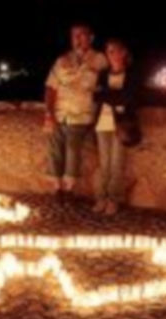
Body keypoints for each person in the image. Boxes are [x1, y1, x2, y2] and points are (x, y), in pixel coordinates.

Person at [44, 22, 108, 194]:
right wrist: (49, 113)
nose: (78, 39)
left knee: (73, 148)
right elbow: (51, 87)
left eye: (82, 35)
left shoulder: (100, 59)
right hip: (59, 112)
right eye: (74, 35)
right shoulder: (62, 60)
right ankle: (56, 185)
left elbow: (108, 85)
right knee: (54, 148)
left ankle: (69, 186)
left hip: (82, 113)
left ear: (91, 37)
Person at [92, 38, 139, 216]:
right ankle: (101, 198)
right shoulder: (103, 74)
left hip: (122, 125)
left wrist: (106, 95)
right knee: (104, 164)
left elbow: (128, 98)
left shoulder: (132, 74)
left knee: (117, 164)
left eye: (114, 50)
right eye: (108, 51)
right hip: (102, 123)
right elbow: (95, 97)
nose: (110, 54)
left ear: (123, 52)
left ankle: (114, 199)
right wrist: (113, 96)